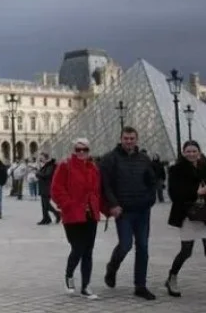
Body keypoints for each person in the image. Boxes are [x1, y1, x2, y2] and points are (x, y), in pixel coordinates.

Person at [101, 126, 158, 300]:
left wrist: (150, 200)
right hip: (123, 210)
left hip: (142, 210)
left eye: (132, 138)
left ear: (137, 139)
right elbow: (106, 185)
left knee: (143, 247)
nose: (129, 141)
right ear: (120, 139)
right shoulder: (110, 159)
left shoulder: (144, 158)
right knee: (125, 245)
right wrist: (113, 205)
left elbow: (152, 182)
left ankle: (140, 285)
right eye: (126, 138)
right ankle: (112, 268)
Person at [50, 139, 101, 299]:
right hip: (72, 214)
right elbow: (56, 189)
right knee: (78, 248)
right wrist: (68, 205)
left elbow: (97, 190)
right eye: (78, 149)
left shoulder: (93, 167)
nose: (81, 152)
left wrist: (101, 207)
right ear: (74, 150)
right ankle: (69, 275)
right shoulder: (65, 166)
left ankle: (86, 286)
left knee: (88, 251)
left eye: (84, 149)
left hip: (90, 214)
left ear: (89, 150)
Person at [165, 140, 206, 297]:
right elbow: (175, 194)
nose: (191, 154)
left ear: (199, 152)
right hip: (188, 214)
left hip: (204, 215)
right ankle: (172, 277)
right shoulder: (176, 170)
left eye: (194, 151)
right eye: (188, 151)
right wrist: (198, 192)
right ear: (183, 152)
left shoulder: (204, 167)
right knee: (186, 251)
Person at [36, 152, 61, 225]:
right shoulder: (46, 165)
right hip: (44, 186)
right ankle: (46, 218)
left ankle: (57, 214)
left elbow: (47, 175)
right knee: (44, 204)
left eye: (41, 157)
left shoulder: (50, 165)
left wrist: (38, 173)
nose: (40, 159)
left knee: (46, 204)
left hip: (48, 187)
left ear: (45, 158)